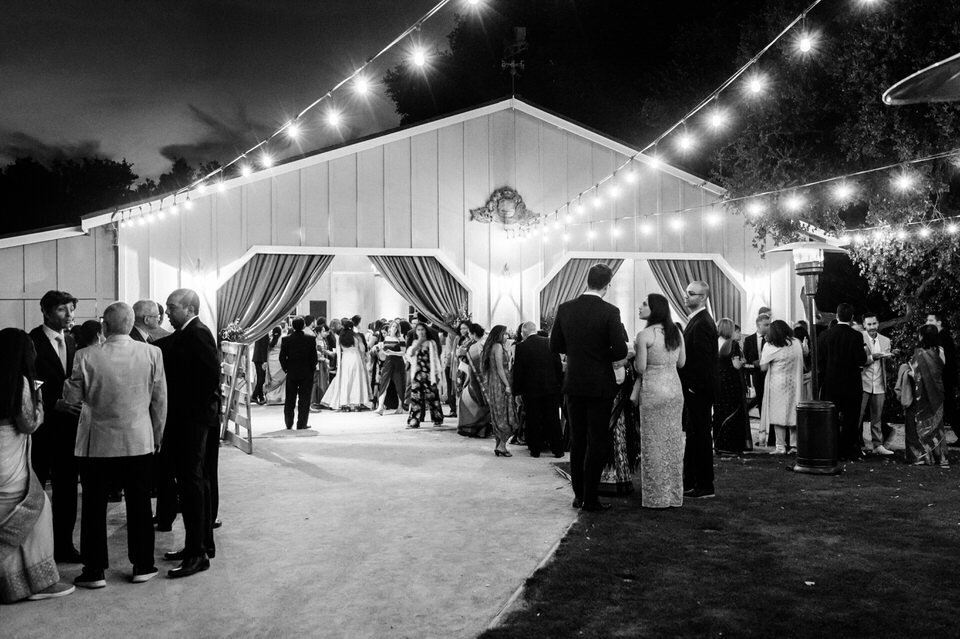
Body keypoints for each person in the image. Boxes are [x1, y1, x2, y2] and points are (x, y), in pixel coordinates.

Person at [62, 303, 167, 588]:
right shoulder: (152, 353)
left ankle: (94, 571)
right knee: (140, 504)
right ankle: (143, 565)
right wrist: (156, 436)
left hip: (97, 444)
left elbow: (72, 399)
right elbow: (159, 401)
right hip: (138, 440)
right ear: (132, 324)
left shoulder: (85, 355)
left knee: (94, 507)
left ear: (104, 326)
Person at [0, 328, 76, 602]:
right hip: (9, 455)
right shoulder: (18, 382)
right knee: (35, 510)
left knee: (8, 514)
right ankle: (39, 582)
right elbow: (29, 423)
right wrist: (39, 401)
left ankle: (12, 583)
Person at [550, 263, 628, 512]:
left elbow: (555, 345)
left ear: (587, 281)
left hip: (574, 382)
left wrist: (577, 352)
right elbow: (620, 350)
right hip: (599, 384)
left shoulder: (565, 308)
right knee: (597, 441)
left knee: (577, 440)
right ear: (607, 285)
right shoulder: (610, 311)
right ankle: (591, 497)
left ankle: (578, 495)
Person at [160, 288, 219, 579]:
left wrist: (190, 415)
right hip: (188, 419)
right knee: (192, 482)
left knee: (193, 482)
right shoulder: (187, 332)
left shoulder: (198, 332)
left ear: (189, 307)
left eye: (172, 307)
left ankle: (197, 553)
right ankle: (198, 544)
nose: (167, 312)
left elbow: (210, 377)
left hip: (192, 421)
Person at [28, 290, 82, 564]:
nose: (70, 315)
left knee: (67, 488)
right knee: (36, 487)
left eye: (71, 309)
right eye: (63, 310)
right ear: (47, 312)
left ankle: (64, 544)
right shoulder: (32, 340)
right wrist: (52, 402)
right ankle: (36, 549)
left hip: (70, 428)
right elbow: (31, 380)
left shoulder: (72, 341)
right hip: (41, 428)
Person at [635, 293, 686, 507]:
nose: (640, 306)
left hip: (654, 390)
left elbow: (641, 368)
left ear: (654, 309)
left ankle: (656, 496)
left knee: (653, 442)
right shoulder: (676, 333)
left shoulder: (645, 335)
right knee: (673, 442)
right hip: (674, 389)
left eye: (644, 304)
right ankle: (674, 495)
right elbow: (682, 363)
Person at [680, 280, 719, 499]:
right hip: (696, 389)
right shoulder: (697, 320)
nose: (686, 296)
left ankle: (704, 484)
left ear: (703, 298)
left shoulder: (703, 323)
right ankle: (693, 481)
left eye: (691, 293)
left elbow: (703, 362)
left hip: (699, 390)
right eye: (686, 293)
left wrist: (694, 388)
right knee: (695, 436)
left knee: (701, 436)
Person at [817, 303, 869, 461]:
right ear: (852, 318)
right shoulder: (856, 336)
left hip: (831, 382)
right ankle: (847, 450)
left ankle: (831, 448)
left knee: (831, 417)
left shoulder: (825, 336)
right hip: (851, 383)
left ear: (836, 316)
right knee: (851, 418)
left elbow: (820, 361)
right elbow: (861, 359)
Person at [512, 322, 563, 458]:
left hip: (531, 390)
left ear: (523, 333)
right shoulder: (550, 343)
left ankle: (535, 449)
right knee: (553, 418)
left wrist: (517, 392)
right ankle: (557, 449)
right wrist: (559, 384)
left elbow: (518, 371)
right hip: (551, 388)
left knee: (533, 419)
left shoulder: (521, 347)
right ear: (535, 330)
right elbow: (558, 366)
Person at [903, 324, 949, 466]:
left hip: (922, 394)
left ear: (922, 336)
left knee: (920, 424)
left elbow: (915, 374)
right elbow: (940, 368)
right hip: (937, 392)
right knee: (937, 424)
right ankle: (941, 457)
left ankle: (921, 456)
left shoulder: (919, 353)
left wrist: (906, 372)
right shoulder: (941, 351)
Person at [759, 320, 804, 455]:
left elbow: (763, 367)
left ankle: (780, 446)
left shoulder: (770, 345)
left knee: (778, 413)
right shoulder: (796, 342)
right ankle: (795, 446)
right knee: (793, 412)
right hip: (794, 382)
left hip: (777, 383)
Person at [713, 317, 751, 455]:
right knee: (734, 413)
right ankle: (732, 446)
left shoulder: (715, 342)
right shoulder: (733, 344)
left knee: (720, 413)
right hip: (731, 382)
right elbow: (736, 365)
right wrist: (742, 362)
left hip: (718, 381)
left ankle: (719, 444)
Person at [860, 313, 894, 455]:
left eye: (874, 324)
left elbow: (888, 366)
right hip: (863, 382)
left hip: (879, 382)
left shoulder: (886, 340)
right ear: (864, 325)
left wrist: (892, 357)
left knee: (877, 417)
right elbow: (858, 359)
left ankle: (878, 445)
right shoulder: (859, 337)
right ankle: (856, 444)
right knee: (858, 416)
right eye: (869, 324)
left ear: (878, 323)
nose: (872, 327)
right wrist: (873, 357)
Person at [481, 325, 517, 456]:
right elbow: (500, 368)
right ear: (499, 335)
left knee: (498, 414)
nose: (507, 336)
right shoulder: (498, 347)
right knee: (505, 414)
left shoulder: (490, 347)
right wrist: (507, 385)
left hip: (493, 383)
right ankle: (501, 446)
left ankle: (499, 445)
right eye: (505, 334)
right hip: (500, 385)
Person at [320, 320, 371, 411]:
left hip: (345, 359)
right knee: (356, 380)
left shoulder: (340, 337)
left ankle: (345, 404)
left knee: (345, 381)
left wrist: (338, 364)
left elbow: (338, 352)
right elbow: (362, 349)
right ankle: (355, 403)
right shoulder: (356, 336)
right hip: (355, 359)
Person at [926, 312, 959, 446]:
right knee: (949, 408)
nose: (927, 323)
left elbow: (945, 360)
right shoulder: (941, 336)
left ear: (939, 322)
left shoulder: (942, 337)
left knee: (948, 408)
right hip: (945, 378)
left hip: (945, 378)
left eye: (930, 320)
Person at [279, 317, 317, 430]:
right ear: (304, 325)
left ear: (292, 326)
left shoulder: (286, 340)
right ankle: (301, 423)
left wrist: (286, 369)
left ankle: (288, 423)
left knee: (290, 399)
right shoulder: (310, 339)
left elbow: (282, 358)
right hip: (306, 373)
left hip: (292, 372)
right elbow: (313, 357)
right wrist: (311, 369)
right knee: (304, 399)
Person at [457, 323, 491, 438]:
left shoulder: (474, 347)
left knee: (468, 399)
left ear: (473, 333)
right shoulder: (486, 342)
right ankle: (483, 430)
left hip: (478, 380)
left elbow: (472, 369)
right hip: (488, 379)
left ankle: (474, 429)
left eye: (470, 333)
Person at [743, 313, 771, 440]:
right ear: (758, 325)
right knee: (759, 397)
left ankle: (769, 427)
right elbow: (746, 357)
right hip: (756, 373)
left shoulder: (771, 338)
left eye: (769, 324)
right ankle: (762, 426)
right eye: (766, 324)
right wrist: (753, 362)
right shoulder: (749, 340)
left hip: (770, 372)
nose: (768, 327)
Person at [374, 321, 406, 415]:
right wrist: (381, 350)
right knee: (384, 383)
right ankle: (380, 407)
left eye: (396, 327)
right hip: (388, 362)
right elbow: (384, 351)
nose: (394, 328)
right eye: (393, 326)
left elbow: (403, 352)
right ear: (390, 328)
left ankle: (400, 407)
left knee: (399, 384)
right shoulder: (386, 338)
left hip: (398, 363)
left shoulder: (400, 338)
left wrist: (392, 353)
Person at [263, 327, 286, 405]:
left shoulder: (270, 339)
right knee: (281, 380)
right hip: (279, 362)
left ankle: (271, 398)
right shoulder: (282, 339)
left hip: (271, 361)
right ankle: (280, 398)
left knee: (273, 380)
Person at [251, 332, 270, 405]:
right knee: (261, 379)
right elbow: (263, 348)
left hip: (257, 358)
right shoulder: (264, 333)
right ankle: (254, 396)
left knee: (260, 378)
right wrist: (264, 361)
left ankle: (260, 397)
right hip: (260, 359)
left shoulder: (260, 332)